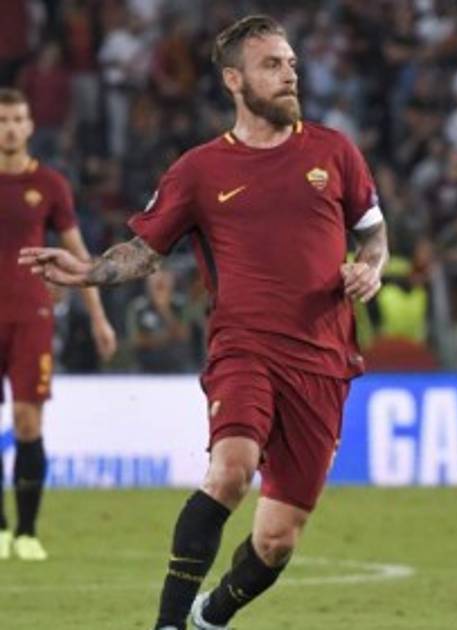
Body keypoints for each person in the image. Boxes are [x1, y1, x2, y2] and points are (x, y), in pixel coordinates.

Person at [19, 15, 388, 629]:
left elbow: (373, 236)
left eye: (291, 63)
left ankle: (209, 615)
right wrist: (86, 272)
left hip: (323, 360)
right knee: (231, 470)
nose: (290, 74)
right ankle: (167, 624)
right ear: (234, 80)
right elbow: (146, 251)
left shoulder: (335, 151)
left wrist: (369, 270)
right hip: (243, 348)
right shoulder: (200, 170)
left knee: (277, 539)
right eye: (272, 65)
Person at [0, 87, 117, 562]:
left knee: (28, 422)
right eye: (2, 119)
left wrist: (99, 318)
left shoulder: (49, 184)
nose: (10, 128)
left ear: (30, 126)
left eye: (17, 119)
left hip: (31, 317)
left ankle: (27, 531)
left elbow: (78, 256)